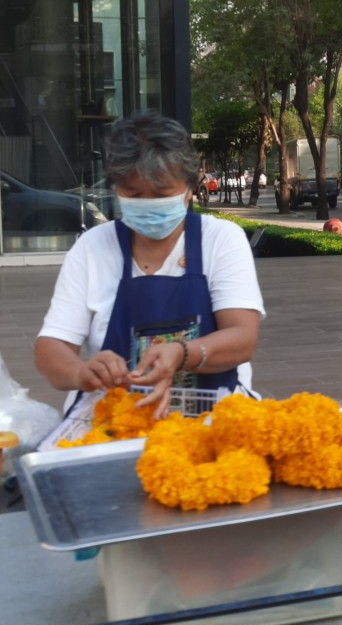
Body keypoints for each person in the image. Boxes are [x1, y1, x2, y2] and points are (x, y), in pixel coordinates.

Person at [34, 110, 265, 419]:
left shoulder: (221, 240)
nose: (147, 203)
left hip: (214, 422)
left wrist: (183, 353)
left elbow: (242, 337)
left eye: (161, 193)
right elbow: (51, 347)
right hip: (116, 422)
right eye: (133, 193)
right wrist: (81, 372)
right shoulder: (91, 249)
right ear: (116, 189)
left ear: (189, 187)